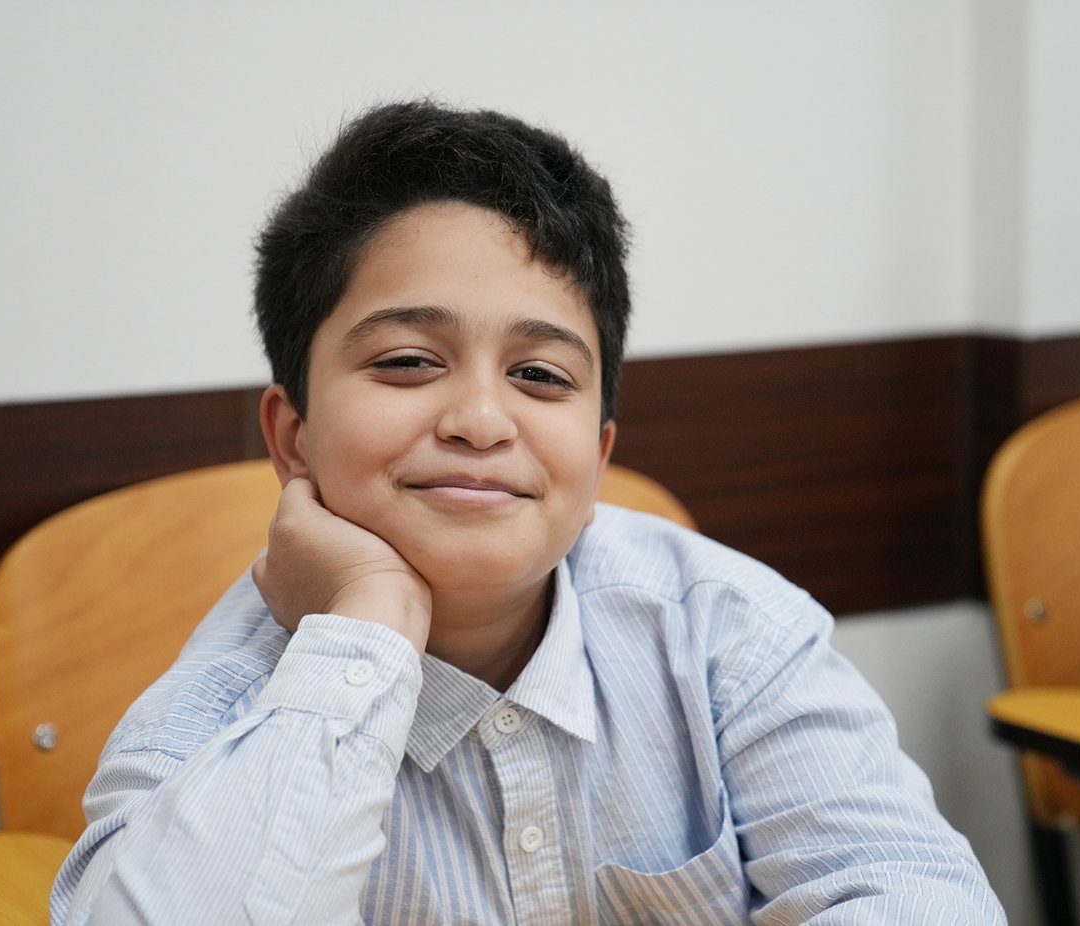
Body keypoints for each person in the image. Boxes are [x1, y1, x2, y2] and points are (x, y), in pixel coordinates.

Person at [51, 100, 1006, 924]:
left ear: (597, 456)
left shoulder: (725, 635)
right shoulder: (221, 713)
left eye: (540, 375)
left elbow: (908, 890)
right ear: (293, 437)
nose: (478, 420)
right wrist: (371, 620)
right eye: (407, 361)